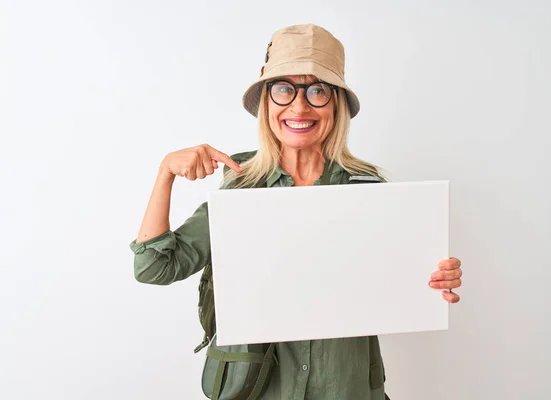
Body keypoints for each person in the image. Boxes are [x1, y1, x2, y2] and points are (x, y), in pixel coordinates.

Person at [130, 24, 462, 400]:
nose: (300, 106)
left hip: (347, 388)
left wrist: (435, 278)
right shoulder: (240, 192)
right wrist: (165, 175)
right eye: (284, 89)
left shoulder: (368, 193)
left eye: (317, 90)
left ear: (336, 104)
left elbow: (399, 285)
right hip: (261, 390)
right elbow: (154, 268)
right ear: (267, 102)